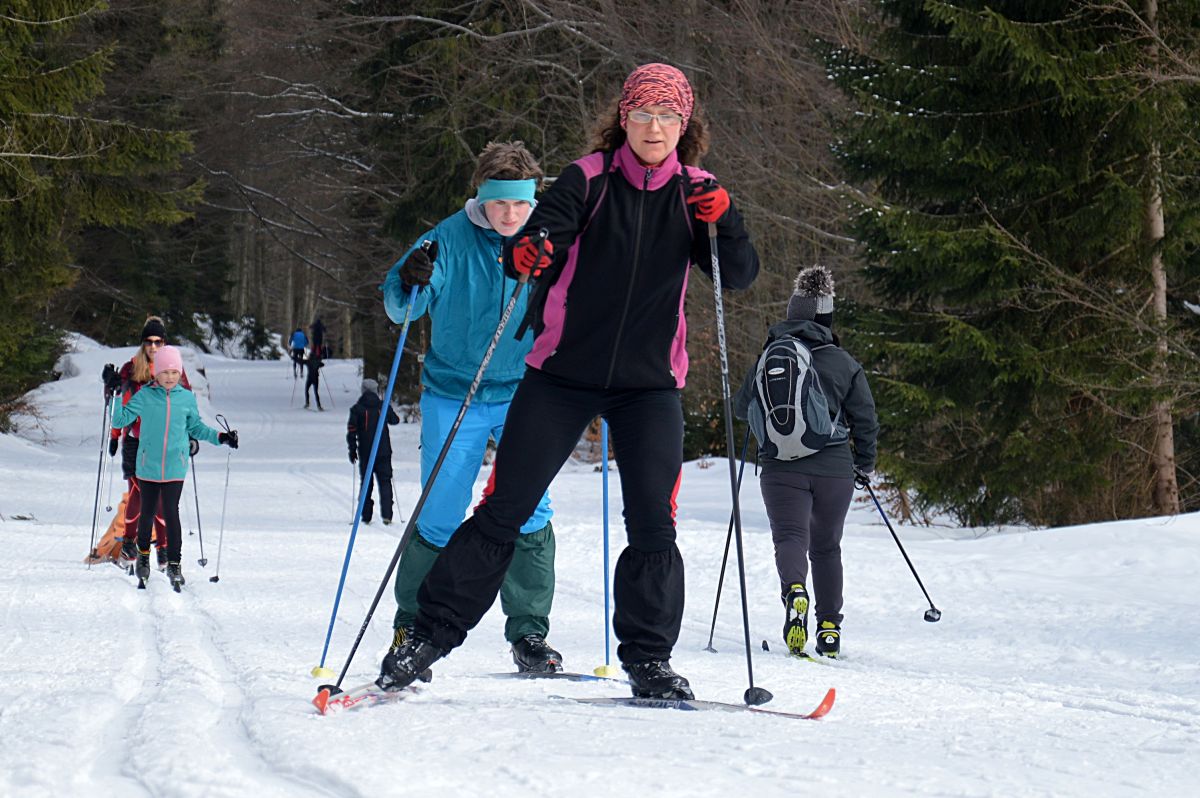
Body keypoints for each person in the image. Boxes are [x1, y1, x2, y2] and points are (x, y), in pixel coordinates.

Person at [378, 64, 759, 697]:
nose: (654, 127)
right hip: (561, 377)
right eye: (643, 114)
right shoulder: (587, 180)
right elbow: (537, 235)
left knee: (654, 526)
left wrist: (729, 220)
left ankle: (648, 660)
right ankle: (428, 636)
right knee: (506, 509)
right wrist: (532, 251)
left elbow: (738, 275)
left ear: (684, 125)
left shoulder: (696, 193)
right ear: (623, 119)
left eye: (668, 116)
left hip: (649, 387)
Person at [379, 141, 561, 673]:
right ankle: (411, 627)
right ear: (480, 197)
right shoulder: (446, 239)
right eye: (501, 203)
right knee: (439, 513)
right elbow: (400, 307)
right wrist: (410, 280)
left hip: (525, 394)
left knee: (531, 508)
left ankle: (529, 633)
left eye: (521, 204)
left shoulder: (547, 239)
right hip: (452, 393)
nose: (511, 215)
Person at [733, 266, 878, 659]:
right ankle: (829, 627)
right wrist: (864, 464)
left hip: (781, 466)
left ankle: (795, 591)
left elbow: (741, 408)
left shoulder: (770, 354)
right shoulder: (843, 361)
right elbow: (865, 418)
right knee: (827, 547)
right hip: (833, 468)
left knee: (790, 537)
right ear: (826, 319)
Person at [109, 345, 239, 588]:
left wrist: (222, 438)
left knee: (171, 513)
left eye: (174, 373)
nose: (169, 377)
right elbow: (119, 420)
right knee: (146, 514)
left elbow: (197, 428)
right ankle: (144, 558)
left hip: (174, 467)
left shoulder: (186, 398)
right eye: (165, 372)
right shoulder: (145, 396)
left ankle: (174, 564)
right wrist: (116, 395)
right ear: (155, 373)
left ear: (180, 374)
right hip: (148, 466)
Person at [101, 316, 192, 567]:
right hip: (135, 441)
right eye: (149, 342)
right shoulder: (131, 369)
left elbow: (186, 404)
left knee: (155, 497)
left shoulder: (174, 369)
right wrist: (114, 434)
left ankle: (158, 548)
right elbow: (121, 401)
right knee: (140, 494)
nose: (153, 347)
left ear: (164, 342)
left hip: (166, 442)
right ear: (143, 343)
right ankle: (134, 546)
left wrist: (190, 435)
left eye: (158, 342)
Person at [347, 378, 399, 525]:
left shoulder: (357, 409)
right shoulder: (382, 406)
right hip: (384, 451)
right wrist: (388, 408)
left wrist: (353, 450)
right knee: (385, 482)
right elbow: (395, 420)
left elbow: (352, 431)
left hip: (366, 452)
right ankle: (387, 515)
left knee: (366, 483)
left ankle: (366, 515)